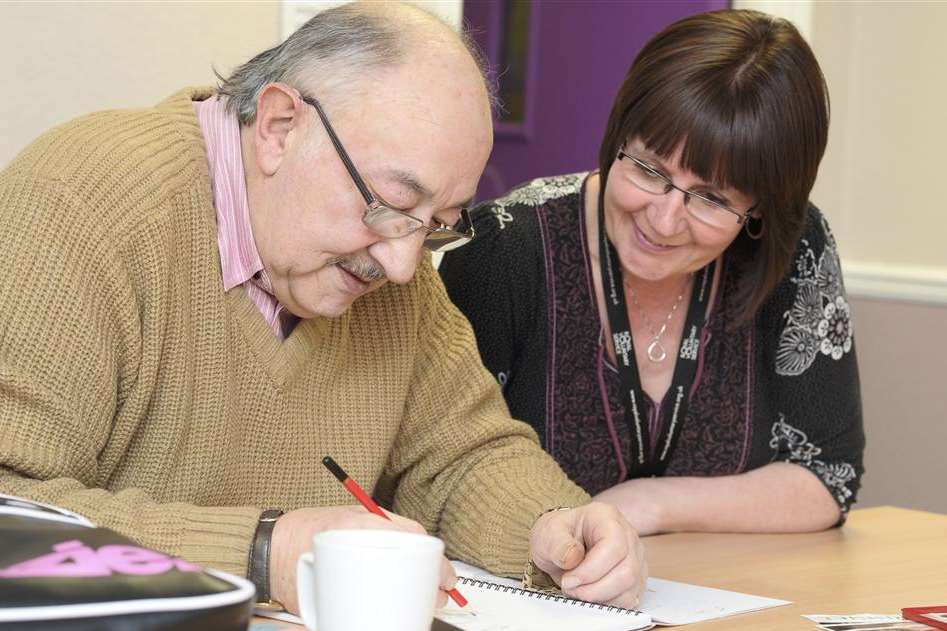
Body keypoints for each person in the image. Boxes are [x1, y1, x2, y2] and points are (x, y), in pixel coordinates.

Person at [0, 2, 646, 614]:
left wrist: (551, 525)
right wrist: (262, 551)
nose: (401, 265)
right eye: (390, 205)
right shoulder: (79, 203)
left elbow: (460, 454)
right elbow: (12, 514)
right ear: (281, 127)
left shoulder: (392, 258)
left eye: (438, 224)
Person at [440, 9, 864, 536]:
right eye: (648, 169)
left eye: (711, 199)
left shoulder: (792, 248)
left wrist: (650, 504)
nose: (663, 222)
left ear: (760, 210)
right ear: (618, 135)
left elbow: (828, 476)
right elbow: (440, 469)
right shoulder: (504, 247)